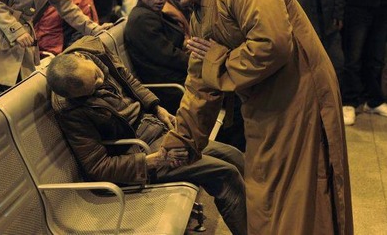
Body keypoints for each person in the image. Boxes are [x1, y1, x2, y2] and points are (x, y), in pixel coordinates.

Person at [153, 0, 353, 235]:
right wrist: (180, 143)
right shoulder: (198, 16)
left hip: (300, 96)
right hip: (263, 106)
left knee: (301, 191)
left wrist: (217, 60)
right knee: (265, 191)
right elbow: (200, 85)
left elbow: (272, 44)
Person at [46, 35, 247, 235]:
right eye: (92, 89)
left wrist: (156, 107)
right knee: (225, 174)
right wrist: (155, 160)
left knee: (233, 155)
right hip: (141, 151)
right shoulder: (68, 109)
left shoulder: (95, 49)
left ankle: (264, 218)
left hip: (156, 129)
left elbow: (128, 79)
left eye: (97, 76)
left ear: (83, 57)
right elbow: (98, 167)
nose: (101, 83)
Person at [124, 0, 188, 113]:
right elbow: (168, 56)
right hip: (166, 85)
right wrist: (197, 63)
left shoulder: (152, 13)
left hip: (171, 75)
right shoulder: (142, 19)